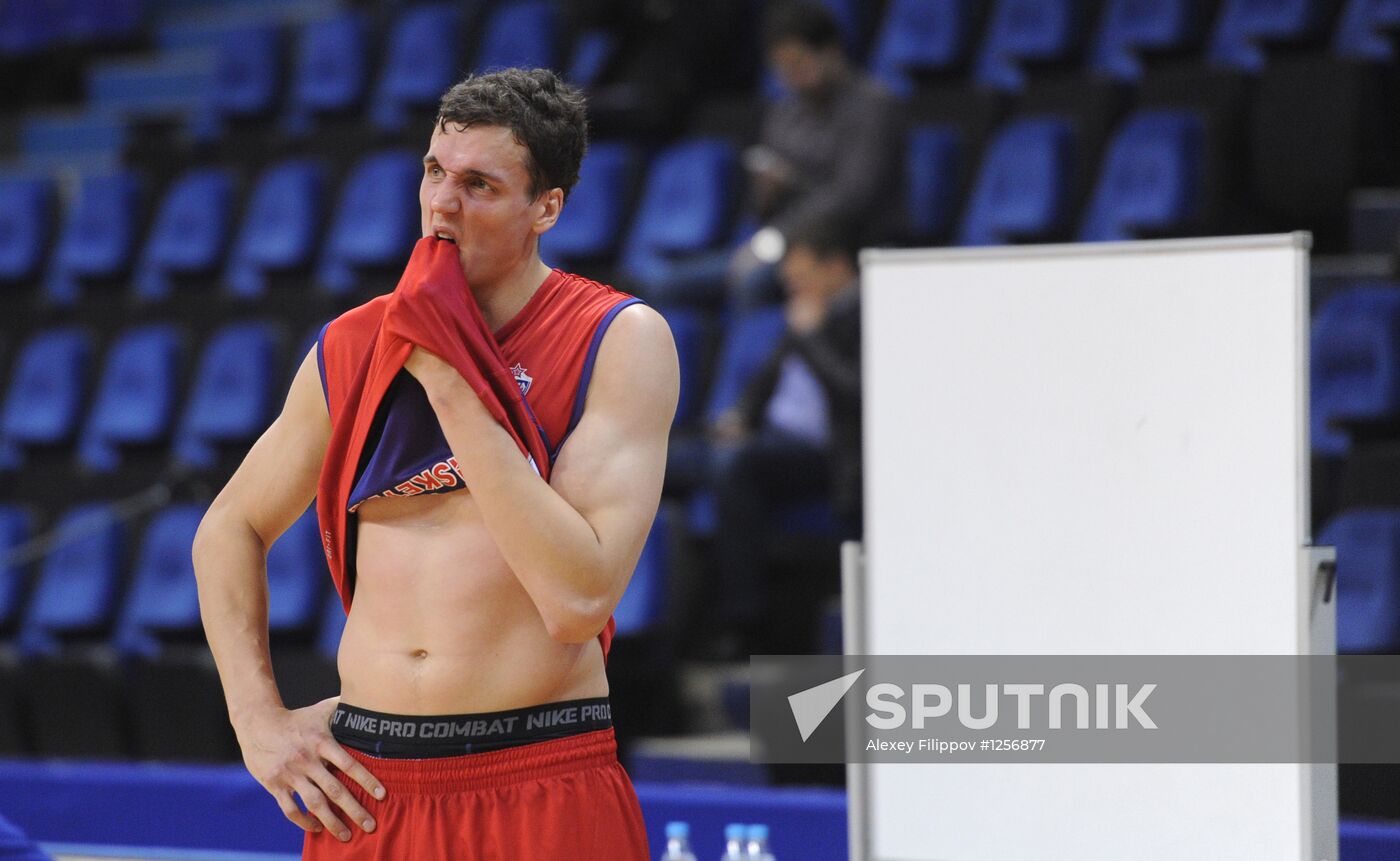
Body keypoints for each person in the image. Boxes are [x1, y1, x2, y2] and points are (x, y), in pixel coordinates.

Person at [193, 68, 677, 859]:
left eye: (480, 184)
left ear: (546, 207)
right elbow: (228, 528)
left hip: (538, 774)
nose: (442, 204)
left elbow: (577, 598)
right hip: (371, 790)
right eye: (434, 172)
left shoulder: (618, 339)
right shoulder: (353, 343)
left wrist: (451, 380)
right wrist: (257, 721)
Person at [706, 218, 861, 659]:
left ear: (835, 267)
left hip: (835, 454)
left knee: (738, 466)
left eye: (802, 274)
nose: (794, 285)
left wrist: (811, 337)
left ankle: (742, 617)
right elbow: (766, 382)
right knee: (683, 458)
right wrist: (740, 418)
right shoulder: (806, 311)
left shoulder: (865, 312)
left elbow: (857, 395)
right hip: (779, 440)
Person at [727, 0, 903, 309]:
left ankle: (781, 357)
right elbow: (762, 209)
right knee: (667, 282)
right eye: (782, 67)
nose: (790, 76)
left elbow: (852, 196)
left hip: (848, 244)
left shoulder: (873, 105)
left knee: (751, 280)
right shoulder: (785, 114)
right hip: (791, 242)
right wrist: (767, 194)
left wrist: (778, 237)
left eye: (797, 63)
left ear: (830, 51)